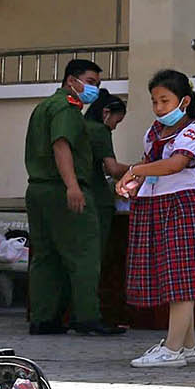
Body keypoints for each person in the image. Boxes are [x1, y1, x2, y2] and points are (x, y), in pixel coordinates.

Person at [117, 70, 195, 366]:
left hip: (180, 205)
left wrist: (135, 171)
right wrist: (133, 182)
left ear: (184, 101)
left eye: (165, 100)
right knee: (171, 275)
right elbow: (152, 167)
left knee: (181, 278)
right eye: (154, 101)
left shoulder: (192, 131)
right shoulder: (153, 132)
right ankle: (188, 347)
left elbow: (175, 164)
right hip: (155, 204)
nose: (159, 107)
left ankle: (172, 349)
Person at [21, 63, 117, 334]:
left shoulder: (44, 106)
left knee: (45, 256)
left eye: (97, 82)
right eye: (90, 81)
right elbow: (61, 145)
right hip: (62, 189)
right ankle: (87, 316)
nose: (94, 88)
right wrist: (73, 186)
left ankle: (43, 318)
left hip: (38, 189)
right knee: (84, 253)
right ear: (72, 80)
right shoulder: (68, 108)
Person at [83, 91, 130, 286]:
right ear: (106, 113)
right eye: (116, 122)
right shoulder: (100, 131)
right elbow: (112, 168)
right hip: (97, 200)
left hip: (78, 196)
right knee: (95, 257)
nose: (114, 127)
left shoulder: (81, 126)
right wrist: (141, 168)